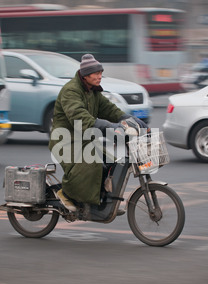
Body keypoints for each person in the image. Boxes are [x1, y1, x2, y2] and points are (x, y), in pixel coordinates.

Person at [49, 54, 148, 211]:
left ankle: (100, 201)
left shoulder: (92, 92)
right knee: (92, 164)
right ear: (86, 75)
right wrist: (109, 126)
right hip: (65, 140)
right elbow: (79, 116)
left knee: (111, 162)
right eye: (96, 73)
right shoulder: (71, 91)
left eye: (101, 73)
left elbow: (109, 109)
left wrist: (129, 119)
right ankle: (66, 193)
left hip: (84, 139)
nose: (100, 76)